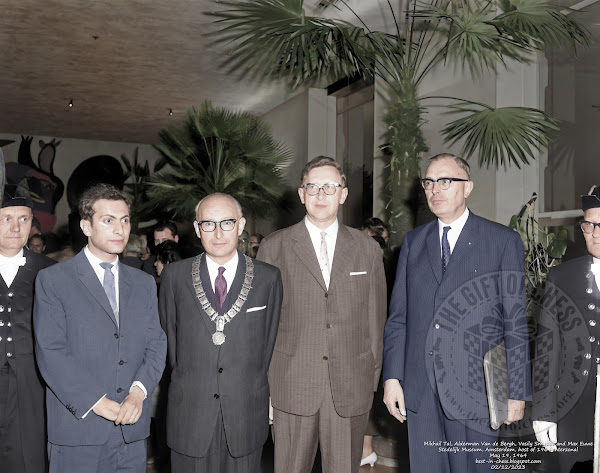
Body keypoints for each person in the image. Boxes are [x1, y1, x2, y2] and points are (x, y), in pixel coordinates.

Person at [383, 153, 530, 473]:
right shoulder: (413, 243)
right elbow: (399, 317)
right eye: (429, 182)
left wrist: (516, 391)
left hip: (476, 391)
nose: (435, 189)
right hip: (420, 389)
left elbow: (515, 321)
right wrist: (392, 377)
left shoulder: (502, 240)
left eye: (446, 181)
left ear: (468, 188)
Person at [257, 155, 386, 473]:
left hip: (349, 387)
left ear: (343, 194)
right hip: (291, 385)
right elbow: (261, 327)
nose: (320, 195)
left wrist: (370, 385)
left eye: (330, 187)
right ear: (301, 194)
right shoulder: (275, 247)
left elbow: (375, 322)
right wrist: (265, 388)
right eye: (312, 187)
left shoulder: (367, 249)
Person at [33, 183, 167, 473]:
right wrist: (96, 402)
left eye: (125, 220)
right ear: (86, 226)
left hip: (131, 433)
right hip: (77, 432)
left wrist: (138, 392)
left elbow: (156, 343)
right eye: (108, 220)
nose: (120, 229)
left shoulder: (143, 284)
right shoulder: (54, 280)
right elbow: (51, 353)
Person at [159, 192, 283, 473]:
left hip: (245, 415)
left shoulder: (268, 279)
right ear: (196, 229)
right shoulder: (174, 277)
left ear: (241, 225)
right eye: (208, 224)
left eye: (226, 223)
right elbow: (171, 344)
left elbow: (269, 345)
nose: (217, 233)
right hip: (189, 413)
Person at [532, 185, 600, 472]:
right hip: (576, 406)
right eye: (589, 225)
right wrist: (544, 412)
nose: (595, 234)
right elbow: (548, 348)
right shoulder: (563, 276)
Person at [0, 181, 56, 473]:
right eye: (6, 218)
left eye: (23, 219)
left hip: (32, 385)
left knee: (30, 458)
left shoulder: (49, 270)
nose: (15, 227)